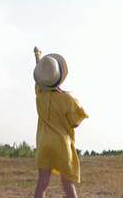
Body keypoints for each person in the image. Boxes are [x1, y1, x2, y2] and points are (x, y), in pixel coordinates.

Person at [33, 46, 88, 198]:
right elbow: (75, 122)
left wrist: (37, 57)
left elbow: (41, 77)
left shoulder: (40, 95)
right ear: (59, 75)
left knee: (42, 184)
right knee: (67, 184)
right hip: (62, 144)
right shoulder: (67, 99)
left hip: (44, 143)